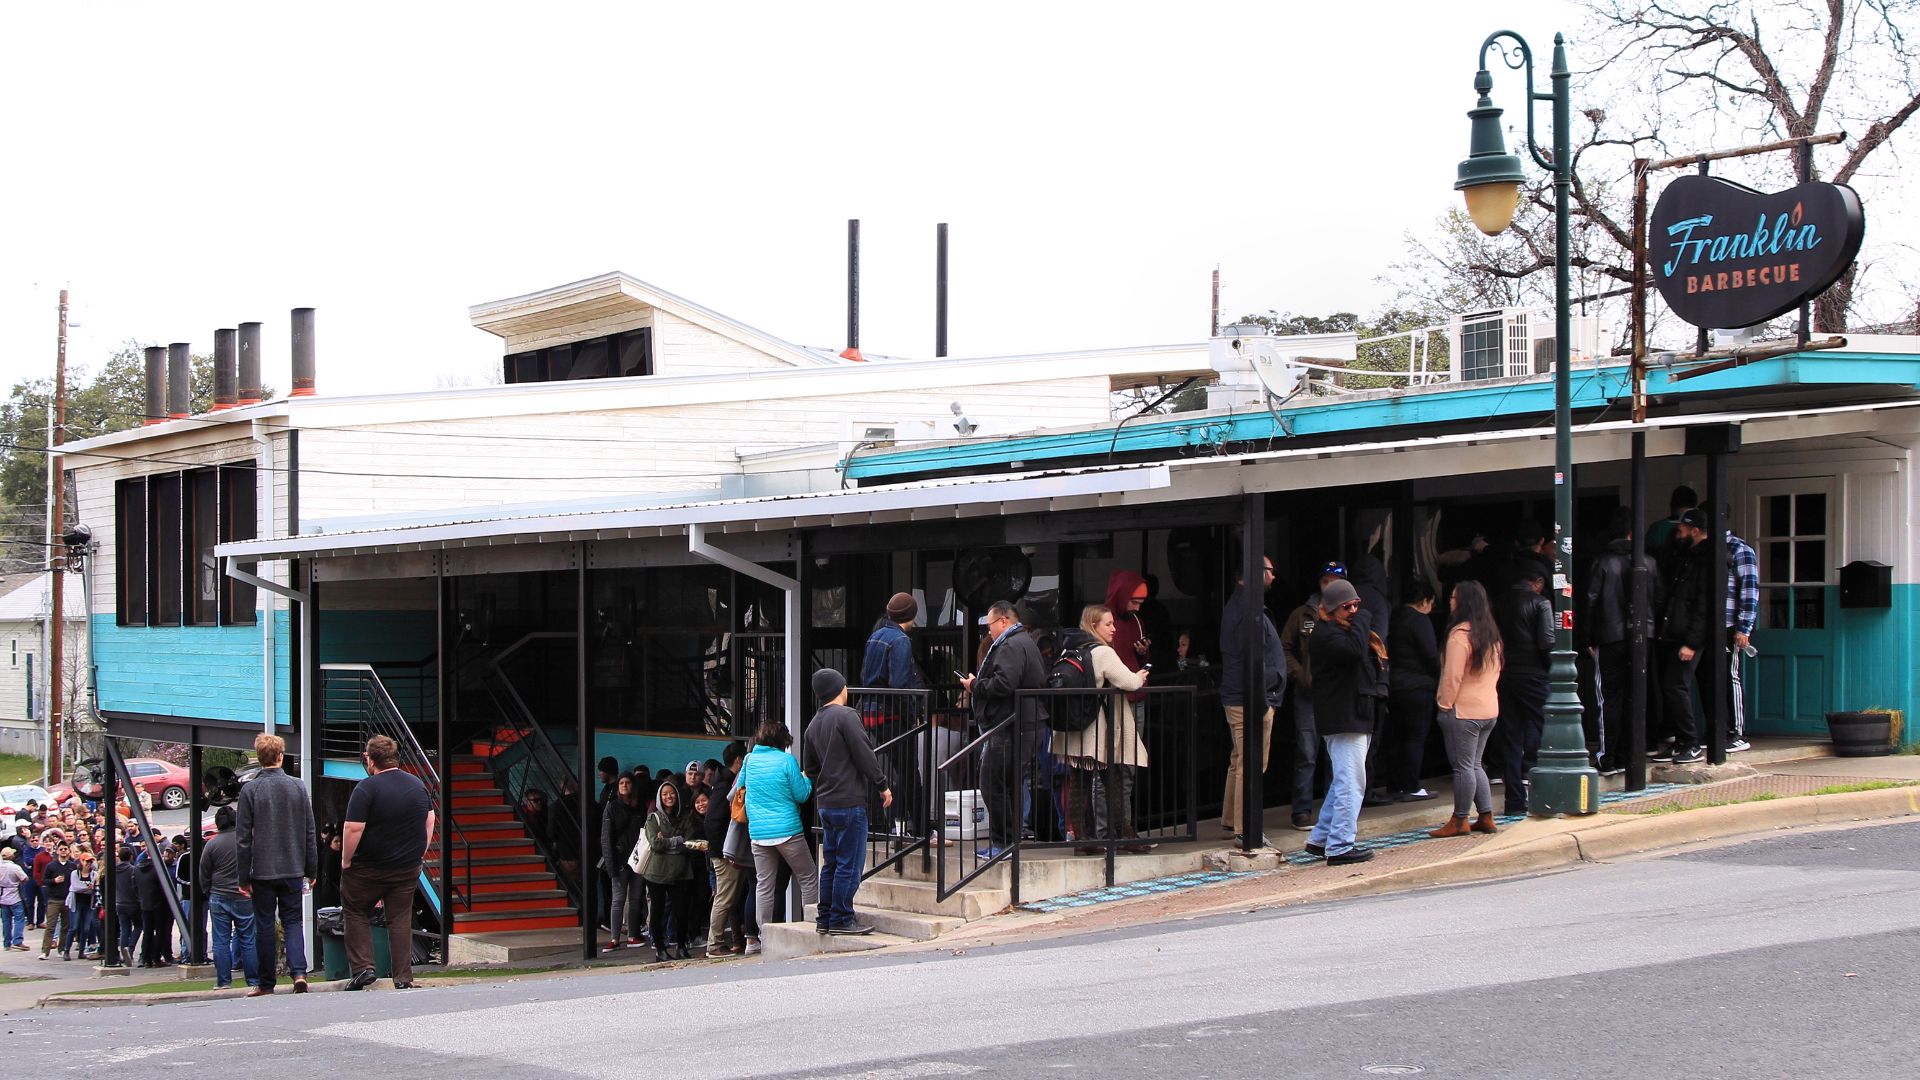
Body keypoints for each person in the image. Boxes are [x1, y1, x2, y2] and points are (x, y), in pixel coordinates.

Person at [1054, 604, 1150, 855]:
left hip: (1074, 728)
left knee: (1080, 784)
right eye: (1108, 624)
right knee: (1114, 783)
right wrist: (1140, 676)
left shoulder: (1070, 648)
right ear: (1093, 625)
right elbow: (1128, 682)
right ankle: (1124, 836)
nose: (1114, 628)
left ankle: (1084, 840)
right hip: (1097, 732)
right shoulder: (1103, 652)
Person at [340, 734, 433, 991]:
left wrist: (346, 859)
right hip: (406, 867)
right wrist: (419, 852)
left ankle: (363, 968)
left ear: (370, 760)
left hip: (368, 867)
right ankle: (403, 976)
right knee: (400, 918)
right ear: (394, 757)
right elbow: (429, 820)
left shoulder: (366, 788)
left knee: (355, 909)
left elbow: (353, 829)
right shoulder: (416, 785)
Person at [803, 668, 891, 935]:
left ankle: (825, 917)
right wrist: (882, 784)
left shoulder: (813, 725)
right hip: (850, 801)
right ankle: (841, 918)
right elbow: (864, 753)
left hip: (826, 803)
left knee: (830, 862)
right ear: (840, 689)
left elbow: (810, 768)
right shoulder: (847, 716)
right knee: (849, 863)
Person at [960, 600, 1048, 860]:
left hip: (1011, 725)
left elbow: (1004, 684)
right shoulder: (1024, 641)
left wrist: (975, 686)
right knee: (1008, 784)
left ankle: (1003, 842)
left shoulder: (1011, 645)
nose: (989, 631)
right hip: (1022, 722)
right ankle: (1008, 841)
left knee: (992, 783)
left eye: (990, 625)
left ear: (1003, 621)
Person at [235, 732, 319, 996]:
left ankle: (266, 982)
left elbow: (243, 838)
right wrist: (311, 869)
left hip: (262, 869)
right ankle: (299, 973)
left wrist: (242, 877)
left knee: (264, 925)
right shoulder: (297, 786)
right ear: (280, 756)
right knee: (293, 921)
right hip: (292, 866)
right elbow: (309, 831)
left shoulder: (250, 790)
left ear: (260, 758)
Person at [1304, 578, 1381, 866]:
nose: (1354, 611)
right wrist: (1363, 618)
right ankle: (1340, 845)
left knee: (1343, 780)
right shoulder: (1326, 635)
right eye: (1347, 607)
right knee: (1352, 782)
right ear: (1332, 609)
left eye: (1357, 605)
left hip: (1352, 713)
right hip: (1343, 716)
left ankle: (1321, 838)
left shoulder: (1339, 631)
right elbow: (1355, 651)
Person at [1430, 580, 1505, 838]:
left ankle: (1460, 819)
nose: (1450, 601)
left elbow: (1452, 676)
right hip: (1488, 708)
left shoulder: (1460, 635)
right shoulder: (1491, 634)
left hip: (1463, 711)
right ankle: (1486, 816)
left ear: (1463, 602)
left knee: (1463, 766)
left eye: (1453, 597)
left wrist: (1444, 704)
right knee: (1475, 764)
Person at [1587, 517, 1662, 774]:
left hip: (1610, 636)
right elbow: (1658, 599)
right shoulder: (1649, 562)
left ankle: (1607, 757)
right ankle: (1630, 754)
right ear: (1632, 533)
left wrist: (1588, 638)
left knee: (1609, 698)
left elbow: (1591, 600)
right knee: (1636, 695)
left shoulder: (1603, 562)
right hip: (1643, 636)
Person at [1219, 556, 1284, 842]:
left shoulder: (1242, 605)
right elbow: (1252, 659)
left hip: (1244, 696)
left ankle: (1231, 821)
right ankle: (1246, 830)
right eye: (1270, 571)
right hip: (1249, 699)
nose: (1274, 576)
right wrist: (1263, 702)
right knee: (1251, 762)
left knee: (1240, 760)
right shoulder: (1247, 609)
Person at [1280, 562, 1345, 829]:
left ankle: (1332, 811)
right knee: (1307, 753)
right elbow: (1284, 648)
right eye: (1325, 581)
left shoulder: (1349, 613)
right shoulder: (1302, 614)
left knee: (1335, 755)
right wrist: (1300, 674)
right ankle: (1302, 811)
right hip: (1308, 695)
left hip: (1337, 694)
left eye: (1335, 581)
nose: (1329, 586)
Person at [861, 592, 931, 837]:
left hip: (871, 711)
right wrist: (912, 716)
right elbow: (900, 684)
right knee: (911, 773)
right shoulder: (900, 640)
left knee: (887, 771)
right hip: (891, 714)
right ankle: (921, 829)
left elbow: (866, 675)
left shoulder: (875, 636)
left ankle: (890, 825)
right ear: (911, 615)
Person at [738, 718, 818, 931]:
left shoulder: (749, 759)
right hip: (788, 831)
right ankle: (812, 924)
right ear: (782, 741)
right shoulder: (787, 761)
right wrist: (806, 779)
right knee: (808, 877)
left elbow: (739, 788)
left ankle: (764, 932)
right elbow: (801, 795)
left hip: (758, 834)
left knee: (764, 884)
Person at [1492, 562, 1554, 814]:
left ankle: (1514, 800)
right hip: (1534, 674)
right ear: (1538, 583)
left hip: (1505, 673)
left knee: (1511, 736)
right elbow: (1547, 642)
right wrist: (1554, 670)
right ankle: (1547, 794)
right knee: (1549, 726)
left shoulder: (1498, 603)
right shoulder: (1541, 603)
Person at [1655, 508, 1713, 765]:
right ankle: (1681, 741)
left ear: (1695, 531)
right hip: (1677, 631)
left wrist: (1692, 642)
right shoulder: (1688, 557)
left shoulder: (1706, 560)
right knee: (1671, 686)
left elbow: (1704, 605)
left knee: (1676, 686)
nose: (1678, 534)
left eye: (1682, 530)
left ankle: (1690, 742)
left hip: (1687, 636)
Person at [1384, 582, 1441, 802]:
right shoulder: (1419, 620)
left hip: (1395, 685)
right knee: (1415, 737)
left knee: (1397, 737)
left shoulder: (1395, 617)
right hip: (1417, 686)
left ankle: (1394, 784)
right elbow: (1430, 655)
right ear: (1424, 601)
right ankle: (1411, 786)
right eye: (1431, 604)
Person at [640, 776, 703, 962]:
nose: (669, 797)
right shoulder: (653, 818)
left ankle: (682, 946)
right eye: (665, 794)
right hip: (657, 872)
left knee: (681, 911)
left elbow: (689, 842)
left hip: (681, 872)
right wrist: (676, 840)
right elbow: (656, 844)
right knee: (658, 911)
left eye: (672, 793)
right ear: (660, 797)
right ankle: (660, 949)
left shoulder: (685, 816)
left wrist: (668, 842)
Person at [200, 805, 259, 990]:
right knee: (248, 939)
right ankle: (253, 980)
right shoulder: (246, 842)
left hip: (219, 894)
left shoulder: (211, 845)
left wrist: (208, 891)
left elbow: (204, 872)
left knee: (221, 941)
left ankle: (223, 981)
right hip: (244, 895)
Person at [703, 741, 749, 958]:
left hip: (723, 852)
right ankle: (714, 944)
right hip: (723, 855)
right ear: (739, 760)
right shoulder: (725, 787)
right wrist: (725, 852)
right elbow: (712, 823)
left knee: (729, 897)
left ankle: (727, 941)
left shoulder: (723, 782)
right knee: (724, 898)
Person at [1722, 518, 1760, 754]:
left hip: (1729, 624)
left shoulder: (1739, 549)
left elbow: (1749, 590)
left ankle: (1737, 732)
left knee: (1730, 675)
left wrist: (1744, 628)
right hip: (1709, 625)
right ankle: (1718, 729)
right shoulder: (1705, 548)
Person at [600, 774, 648, 949]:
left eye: (628, 782)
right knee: (618, 899)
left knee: (635, 898)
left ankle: (632, 935)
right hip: (619, 859)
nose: (624, 785)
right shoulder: (612, 807)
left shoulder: (639, 807)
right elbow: (606, 837)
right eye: (621, 782)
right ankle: (614, 938)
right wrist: (611, 864)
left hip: (637, 858)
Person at [134, 849, 171, 966]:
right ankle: (156, 957)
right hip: (158, 904)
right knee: (160, 931)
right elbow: (163, 888)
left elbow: (134, 886)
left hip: (144, 903)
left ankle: (146, 958)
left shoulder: (137, 869)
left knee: (147, 931)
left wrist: (140, 898)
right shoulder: (158, 869)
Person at [39, 840, 74, 960]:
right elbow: (44, 880)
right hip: (54, 899)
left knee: (66, 926)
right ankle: (45, 951)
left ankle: (62, 949)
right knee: (50, 926)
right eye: (61, 849)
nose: (63, 851)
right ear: (57, 851)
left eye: (65, 849)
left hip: (68, 899)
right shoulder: (51, 866)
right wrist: (54, 880)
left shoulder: (72, 866)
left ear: (68, 851)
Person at [112, 846, 140, 967]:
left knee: (124, 928)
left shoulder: (114, 870)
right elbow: (136, 885)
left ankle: (124, 951)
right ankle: (130, 948)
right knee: (138, 926)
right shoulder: (133, 870)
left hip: (119, 902)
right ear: (131, 856)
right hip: (133, 902)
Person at [0, 848, 26, 951]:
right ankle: (17, 940)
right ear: (11, 856)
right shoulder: (15, 867)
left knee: (6, 921)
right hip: (14, 895)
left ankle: (7, 943)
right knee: (19, 918)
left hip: (2, 895)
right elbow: (24, 878)